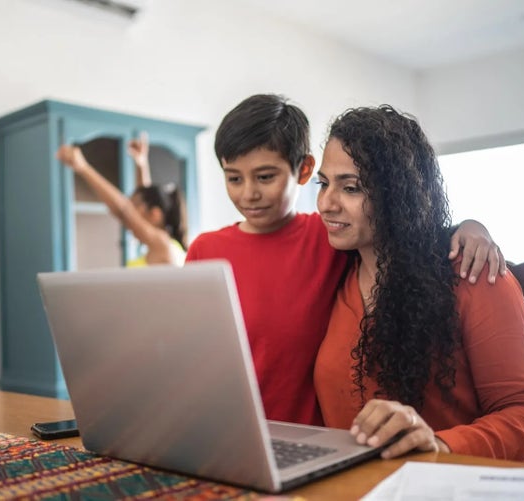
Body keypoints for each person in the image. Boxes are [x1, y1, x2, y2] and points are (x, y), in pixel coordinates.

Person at [186, 94, 506, 426]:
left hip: (312, 439)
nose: (248, 193)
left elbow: (402, 233)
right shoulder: (205, 250)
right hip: (229, 428)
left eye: (265, 177)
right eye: (234, 178)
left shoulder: (329, 238)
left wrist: (470, 227)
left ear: (304, 169)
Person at [313, 105, 524, 463]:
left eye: (351, 188)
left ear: (399, 194)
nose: (325, 203)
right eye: (323, 183)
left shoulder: (474, 275)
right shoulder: (331, 269)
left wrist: (439, 446)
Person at [57, 133, 188, 267]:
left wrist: (83, 167)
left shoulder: (161, 244)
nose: (132, 221)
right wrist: (141, 164)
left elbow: (124, 210)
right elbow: (144, 196)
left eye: (135, 209)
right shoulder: (165, 245)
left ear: (155, 214)